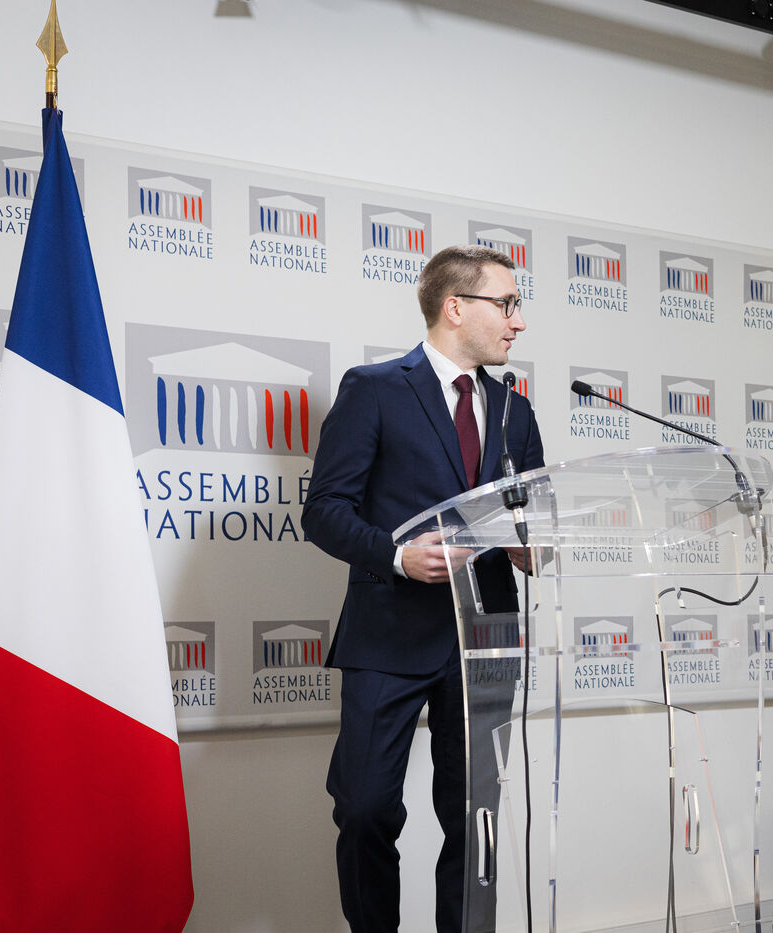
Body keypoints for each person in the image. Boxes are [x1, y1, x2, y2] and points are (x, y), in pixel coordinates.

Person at [302, 245, 543, 933]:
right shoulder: (375, 389)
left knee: (474, 819)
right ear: (455, 306)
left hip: (485, 639)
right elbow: (324, 511)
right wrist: (399, 556)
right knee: (365, 808)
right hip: (389, 633)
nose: (518, 321)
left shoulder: (515, 411)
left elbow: (531, 521)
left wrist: (536, 545)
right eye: (507, 303)